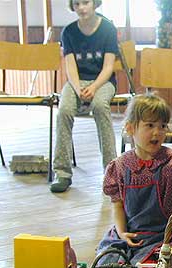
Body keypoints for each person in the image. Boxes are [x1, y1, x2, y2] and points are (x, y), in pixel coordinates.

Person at [96, 93, 172, 265]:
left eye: (162, 126)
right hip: (126, 236)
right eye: (150, 125)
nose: (157, 132)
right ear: (130, 129)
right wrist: (122, 232)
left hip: (160, 238)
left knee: (150, 266)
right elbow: (118, 204)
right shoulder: (120, 166)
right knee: (106, 262)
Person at [50, 0, 118, 193]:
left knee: (99, 107)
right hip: (76, 82)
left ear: (95, 3)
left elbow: (108, 67)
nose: (81, 7)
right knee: (64, 110)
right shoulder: (69, 32)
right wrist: (78, 87)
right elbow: (70, 66)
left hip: (103, 82)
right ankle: (62, 172)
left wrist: (95, 86)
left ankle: (111, 173)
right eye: (77, 3)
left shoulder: (108, 29)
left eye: (85, 2)